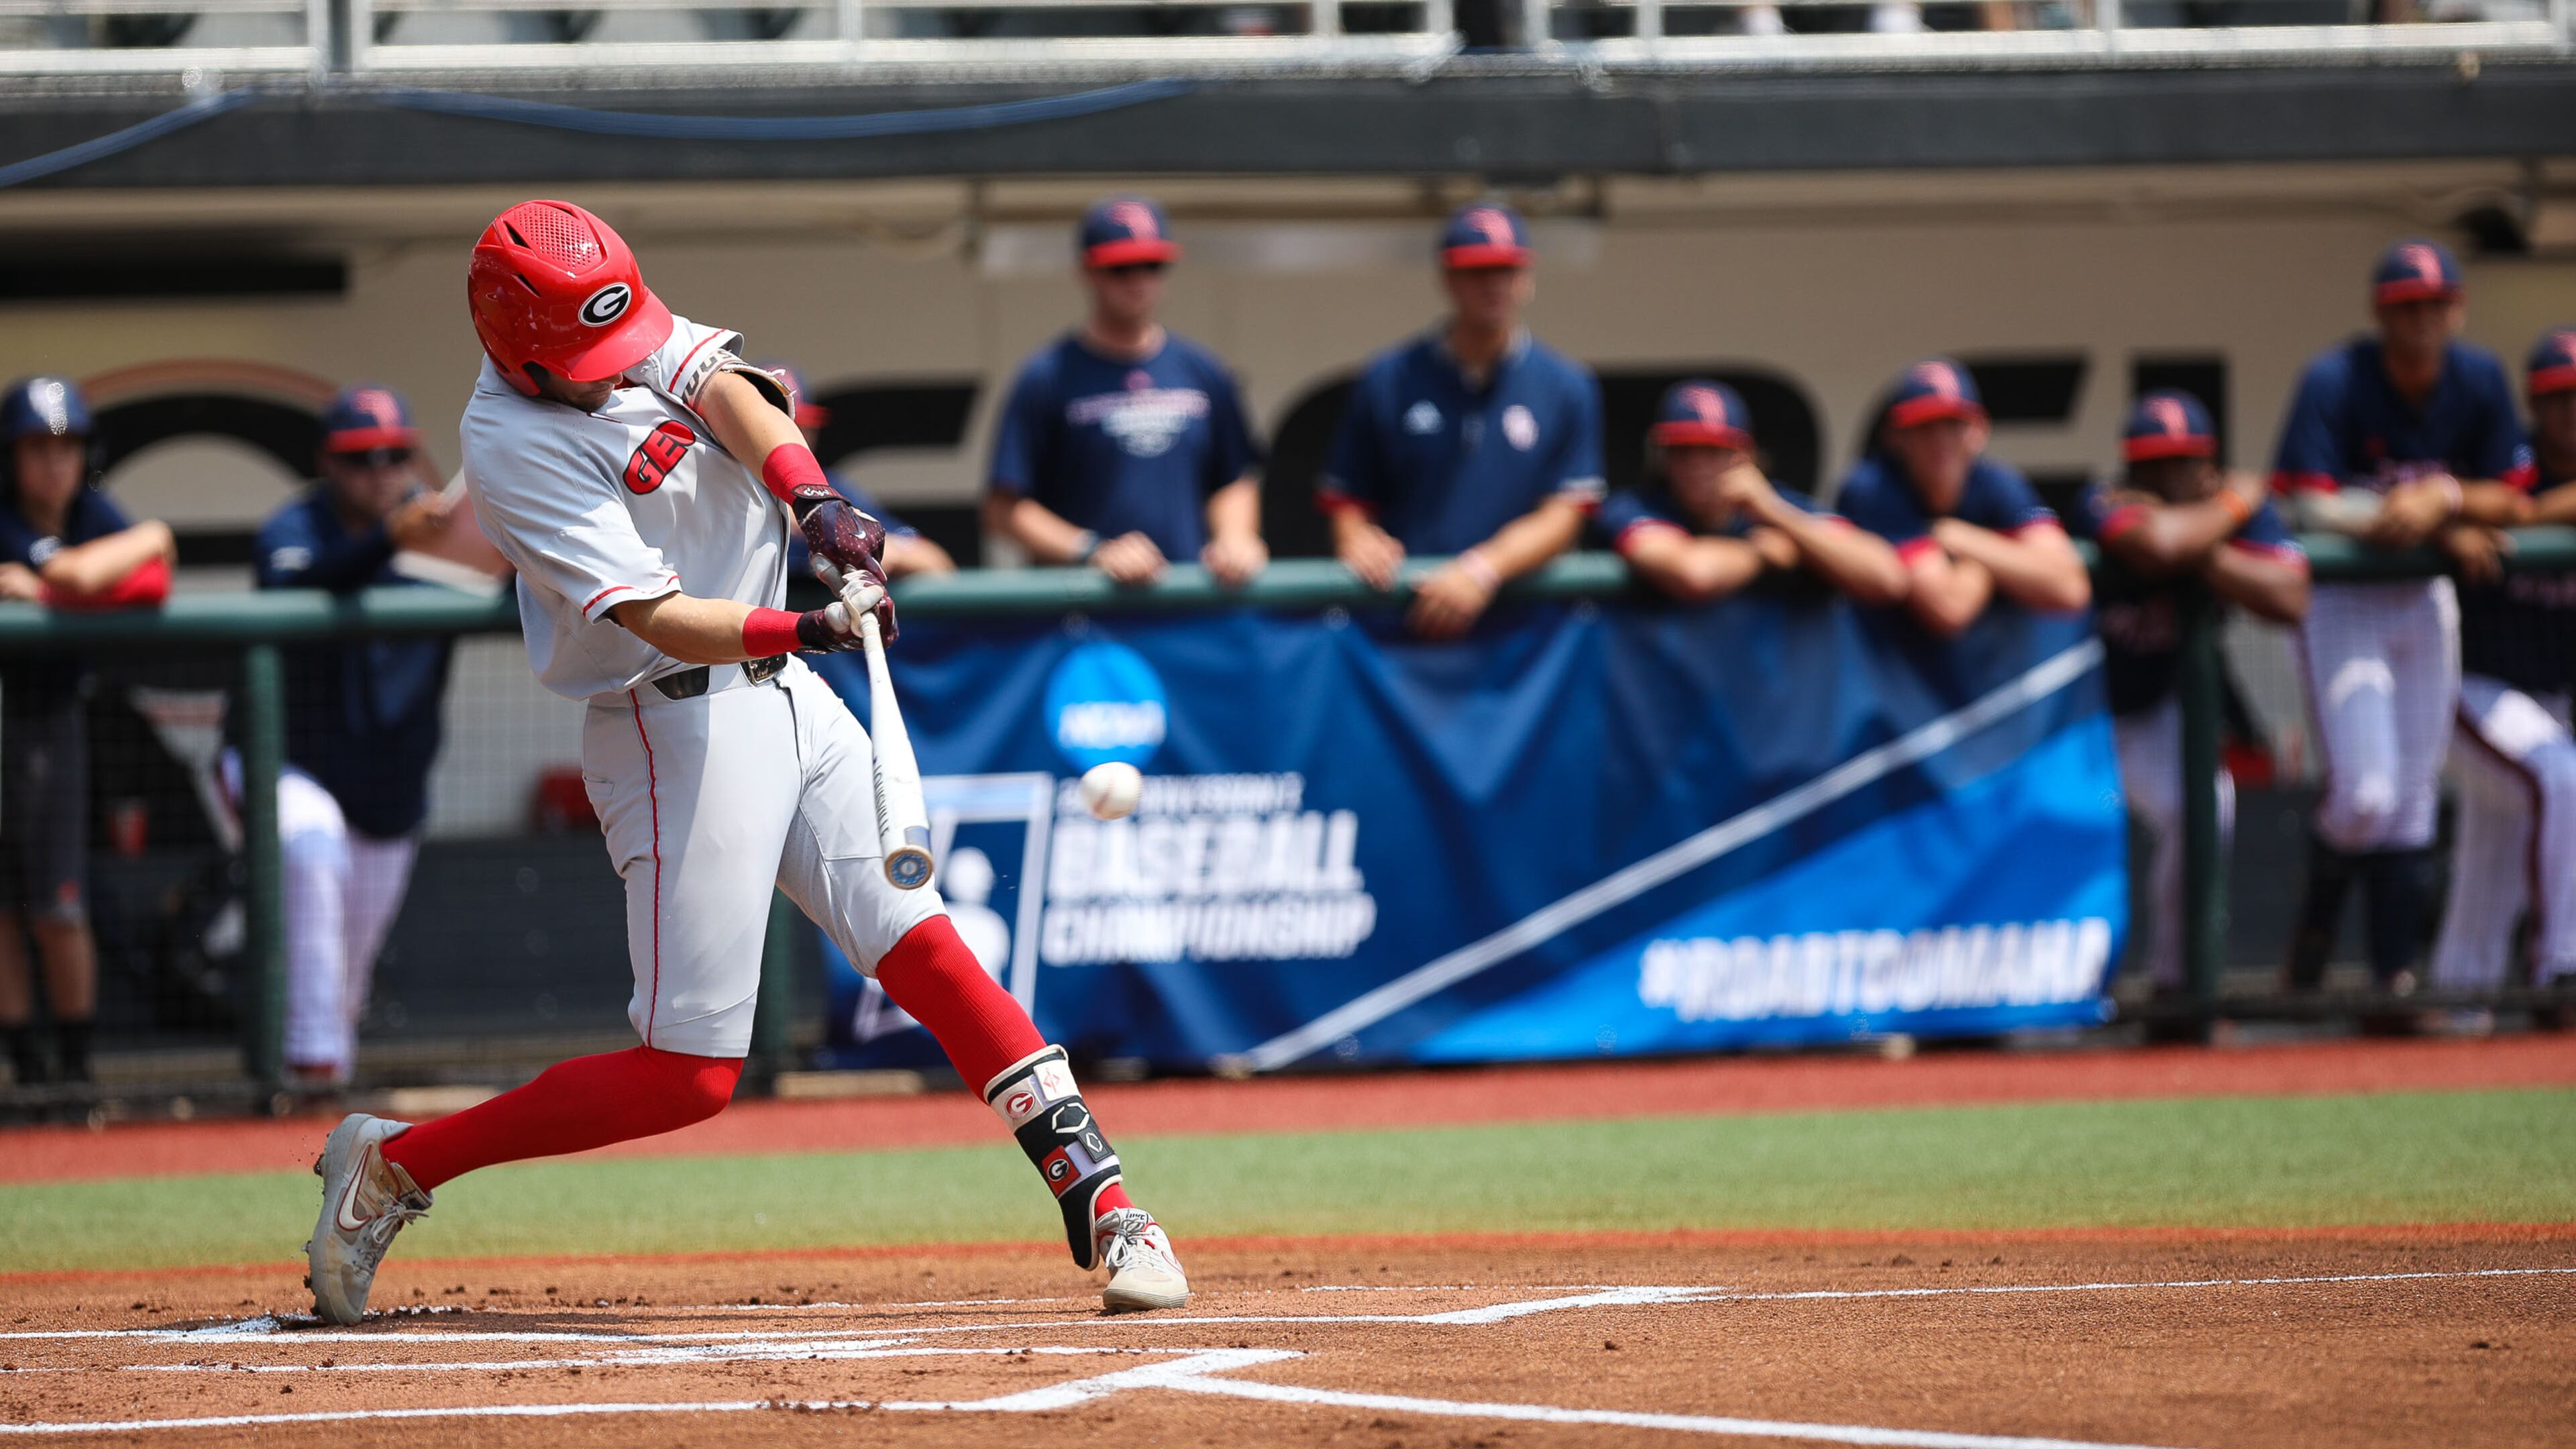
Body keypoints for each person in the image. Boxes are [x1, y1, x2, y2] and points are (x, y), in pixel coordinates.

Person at [303, 199, 1185, 1325]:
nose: (621, 368)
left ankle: (1108, 1203)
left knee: (924, 946)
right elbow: (663, 620)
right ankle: (396, 1164)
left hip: (790, 702)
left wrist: (815, 503)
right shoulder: (509, 448)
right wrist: (809, 627)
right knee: (689, 1076)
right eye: (590, 358)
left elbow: (729, 390)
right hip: (671, 725)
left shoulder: (608, 313)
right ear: (518, 346)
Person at [2270, 240, 2532, 1000]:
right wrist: (2421, 519)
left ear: (2458, 308)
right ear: (2381, 314)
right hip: (2346, 599)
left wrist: (2444, 499)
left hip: (2423, 600)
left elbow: (2510, 495)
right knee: (2365, 794)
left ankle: (2394, 981)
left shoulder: (2478, 378)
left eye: (2434, 304)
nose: (2421, 320)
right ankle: (2315, 926)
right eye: (2405, 307)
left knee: (2415, 798)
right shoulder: (2336, 378)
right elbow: (2308, 501)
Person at [2063, 392, 2310, 1001]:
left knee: (2205, 805)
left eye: (2183, 461)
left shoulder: (2225, 516)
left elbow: (2290, 598)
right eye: (2152, 464)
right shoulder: (2102, 500)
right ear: (2129, 467)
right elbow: (2158, 547)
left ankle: (2180, 984)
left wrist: (2206, 541)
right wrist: (2229, 506)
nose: (2168, 478)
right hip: (2075, 719)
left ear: (2208, 463)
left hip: (2150, 712)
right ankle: (2059, 991)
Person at [248, 386, 463, 1085]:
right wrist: (386, 541)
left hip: (389, 782)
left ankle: (320, 1092)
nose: (380, 471)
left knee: (350, 963)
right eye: (361, 458)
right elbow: (295, 587)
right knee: (312, 855)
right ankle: (310, 1071)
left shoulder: (445, 539)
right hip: (289, 765)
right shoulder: (295, 527)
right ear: (328, 465)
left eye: (395, 455)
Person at [1319, 203, 1605, 639]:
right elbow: (1349, 499)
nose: (1493, 284)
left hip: (1525, 641)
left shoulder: (1566, 385)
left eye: (1506, 270)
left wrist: (1482, 569)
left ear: (1527, 278)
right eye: (1477, 271)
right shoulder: (1390, 377)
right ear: (1448, 279)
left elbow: (1565, 514)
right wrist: (1357, 540)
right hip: (1408, 623)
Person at [0, 376, 173, 1087]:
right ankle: (25, 1066)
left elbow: (152, 579)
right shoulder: (5, 512)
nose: (54, 464)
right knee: (3, 911)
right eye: (39, 448)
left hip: (49, 723)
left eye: (67, 447)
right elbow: (90, 570)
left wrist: (50, 589)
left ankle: (74, 1072)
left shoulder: (92, 510)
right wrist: (96, 573)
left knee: (57, 906)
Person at [983, 197, 1265, 586]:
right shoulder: (1047, 375)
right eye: (1121, 268)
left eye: (1151, 265)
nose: (1138, 280)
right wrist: (1093, 550)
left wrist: (1236, 537)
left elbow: (1234, 479)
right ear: (1087, 271)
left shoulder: (1203, 370)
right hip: (1086, 615)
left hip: (1190, 607)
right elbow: (1004, 509)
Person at [2428, 326, 2576, 1007]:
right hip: (2478, 685)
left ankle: (2461, 999)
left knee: (2494, 846)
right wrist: (2455, 525)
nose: (2571, 411)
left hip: (2554, 692)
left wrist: (2528, 519)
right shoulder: (2503, 461)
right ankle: (2561, 969)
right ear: (2534, 404)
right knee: (2561, 777)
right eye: (2558, 398)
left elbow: (2528, 511)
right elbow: (2440, 496)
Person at [1834, 358, 2092, 635]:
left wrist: (1961, 539)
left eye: (1953, 424)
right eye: (1924, 427)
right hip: (1875, 671)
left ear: (1979, 432)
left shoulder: (1996, 482)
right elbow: (1948, 607)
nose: (1940, 440)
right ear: (1896, 437)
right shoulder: (1872, 487)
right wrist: (1998, 562)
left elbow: (2071, 588)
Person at [1601, 379, 1907, 605]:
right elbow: (1693, 574)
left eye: (1713, 451)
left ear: (1743, 456)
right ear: (1662, 457)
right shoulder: (1633, 505)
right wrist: (1761, 554)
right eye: (1682, 450)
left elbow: (1887, 577)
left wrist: (1776, 513)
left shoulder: (1773, 504)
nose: (1696, 465)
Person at [765, 362, 955, 580]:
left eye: (801, 425)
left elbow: (935, 560)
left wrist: (887, 550)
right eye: (778, 422)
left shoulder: (822, 489)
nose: (792, 435)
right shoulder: (726, 489)